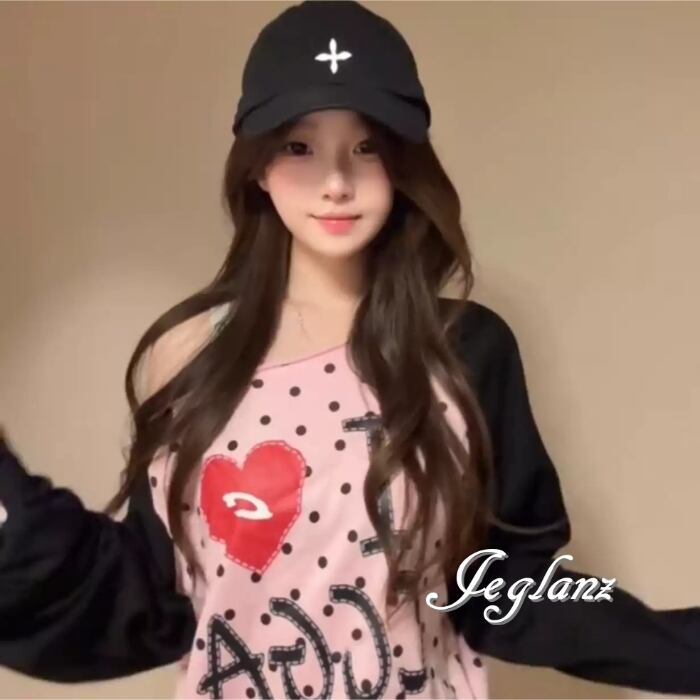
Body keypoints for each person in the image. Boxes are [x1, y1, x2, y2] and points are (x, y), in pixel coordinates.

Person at [1, 1, 699, 698]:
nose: (337, 181)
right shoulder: (187, 355)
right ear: (256, 166)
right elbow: (156, 597)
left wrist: (675, 650)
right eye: (298, 147)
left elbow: (507, 585)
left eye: (367, 148)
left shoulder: (464, 350)